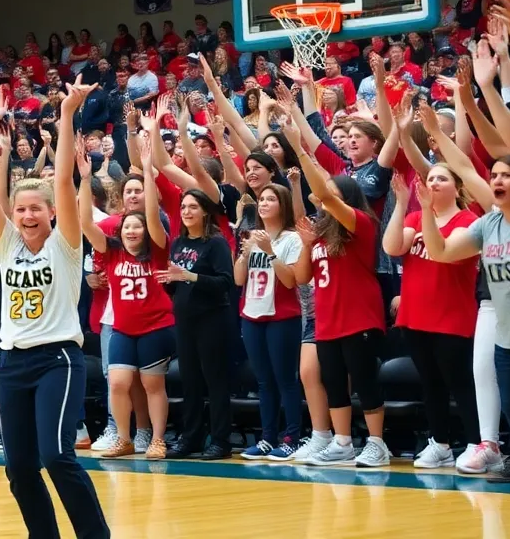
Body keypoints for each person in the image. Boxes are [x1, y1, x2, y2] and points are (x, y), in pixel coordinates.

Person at [421, 38, 510, 481]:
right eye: (495, 175)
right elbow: (444, 251)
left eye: (505, 176)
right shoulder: (490, 223)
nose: (497, 178)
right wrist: (427, 206)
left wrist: (480, 88)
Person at [0, 78, 110, 539]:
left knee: (56, 456)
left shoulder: (66, 246)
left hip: (57, 359)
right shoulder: (6, 245)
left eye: (36, 209)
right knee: (20, 467)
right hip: (12, 362)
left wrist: (68, 115)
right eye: (21, 209)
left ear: (51, 213)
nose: (28, 215)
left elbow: (66, 183)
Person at [287, 113, 390, 468]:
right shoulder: (319, 234)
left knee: (364, 381)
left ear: (344, 196)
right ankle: (343, 442)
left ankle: (378, 444)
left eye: (331, 192)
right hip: (328, 320)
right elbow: (302, 277)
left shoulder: (360, 223)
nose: (322, 198)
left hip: (358, 316)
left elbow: (324, 196)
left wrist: (301, 150)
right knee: (334, 383)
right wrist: (305, 243)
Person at [382, 166, 485, 472]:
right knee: (430, 385)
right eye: (430, 179)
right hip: (416, 317)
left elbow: (443, 252)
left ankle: (475, 444)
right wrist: (402, 203)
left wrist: (425, 210)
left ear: (457, 187)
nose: (434, 183)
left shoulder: (469, 222)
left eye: (442, 178)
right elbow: (391, 247)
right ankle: (440, 444)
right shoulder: (413, 218)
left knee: (461, 383)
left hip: (451, 316)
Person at [78, 133, 172, 460]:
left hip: (155, 326)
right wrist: (85, 178)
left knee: (152, 385)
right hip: (122, 328)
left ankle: (158, 439)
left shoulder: (158, 250)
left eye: (137, 227)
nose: (132, 231)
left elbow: (152, 215)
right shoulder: (113, 252)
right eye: (127, 228)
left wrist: (147, 169)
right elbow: (84, 222)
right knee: (117, 383)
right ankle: (123, 437)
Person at [160, 187, 235, 460]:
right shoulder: (178, 244)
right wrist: (171, 282)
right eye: (183, 207)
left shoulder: (215, 243)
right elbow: (179, 286)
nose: (187, 212)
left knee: (214, 381)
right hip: (185, 320)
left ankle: (221, 441)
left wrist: (189, 277)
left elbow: (225, 283)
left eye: (192, 207)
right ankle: (191, 438)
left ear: (205, 211)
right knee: (189, 381)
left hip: (212, 318)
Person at [234, 184, 304, 460]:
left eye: (270, 199)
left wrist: (269, 250)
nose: (263, 203)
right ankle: (267, 437)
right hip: (251, 314)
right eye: (261, 199)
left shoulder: (292, 239)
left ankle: (292, 438)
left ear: (282, 205)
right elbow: (239, 279)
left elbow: (290, 280)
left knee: (285, 379)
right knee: (263, 381)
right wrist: (244, 252)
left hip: (282, 316)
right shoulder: (253, 237)